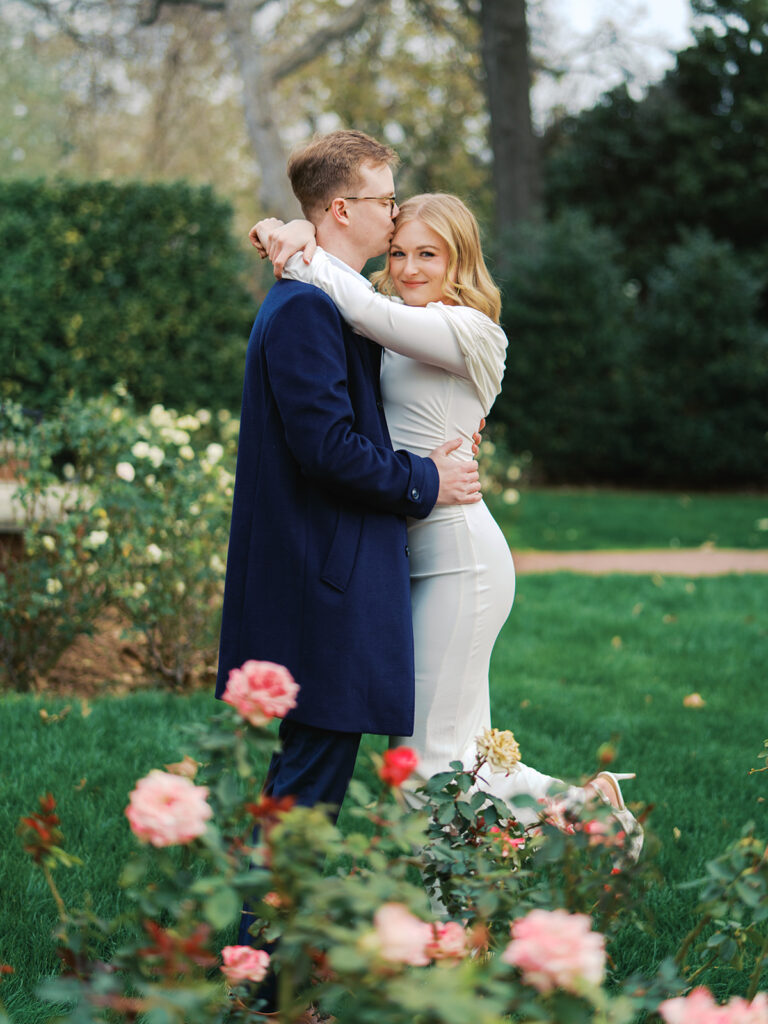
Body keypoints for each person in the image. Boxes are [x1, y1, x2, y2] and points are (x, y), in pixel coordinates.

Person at [251, 192, 643, 855]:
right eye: (399, 252)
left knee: (425, 769)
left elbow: (362, 305)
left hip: (461, 558)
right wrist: (293, 230)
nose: (407, 268)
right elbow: (363, 310)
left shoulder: (471, 331)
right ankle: (553, 836)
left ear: (459, 257)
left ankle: (543, 855)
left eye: (426, 254)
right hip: (412, 553)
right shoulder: (398, 322)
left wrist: (297, 242)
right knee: (456, 756)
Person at [215, 133, 484, 999]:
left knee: (309, 792)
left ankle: (277, 971)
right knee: (302, 797)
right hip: (316, 587)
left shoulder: (329, 299)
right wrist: (428, 479)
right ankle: (264, 988)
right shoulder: (303, 311)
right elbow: (327, 449)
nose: (394, 212)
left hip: (326, 581)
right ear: (341, 211)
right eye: (383, 199)